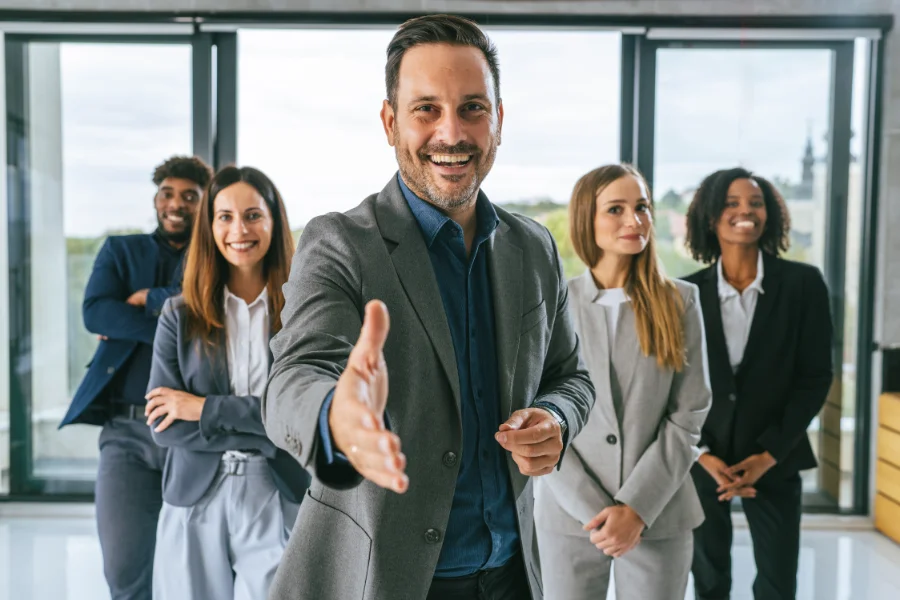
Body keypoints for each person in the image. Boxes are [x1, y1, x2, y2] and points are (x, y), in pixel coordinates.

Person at [262, 14, 595, 600]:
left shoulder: (534, 245)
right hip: (385, 578)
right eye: (426, 110)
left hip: (514, 575)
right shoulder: (340, 242)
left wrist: (557, 419)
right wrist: (335, 419)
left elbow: (571, 377)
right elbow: (294, 376)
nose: (452, 133)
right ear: (390, 122)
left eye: (472, 107)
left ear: (498, 120)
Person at [534, 164, 711, 599]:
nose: (635, 221)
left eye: (642, 207)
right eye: (616, 209)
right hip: (569, 515)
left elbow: (689, 414)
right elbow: (536, 414)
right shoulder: (551, 303)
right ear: (585, 219)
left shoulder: (681, 301)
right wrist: (595, 509)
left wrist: (636, 508)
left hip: (659, 513)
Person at [144, 166, 310, 600]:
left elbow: (307, 415)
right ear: (210, 226)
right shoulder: (179, 316)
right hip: (194, 493)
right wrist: (263, 419)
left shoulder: (305, 315)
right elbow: (164, 426)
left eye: (253, 215)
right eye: (225, 217)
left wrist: (201, 408)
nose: (240, 229)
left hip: (280, 489)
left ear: (274, 221)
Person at [59, 155, 212, 600]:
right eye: (167, 193)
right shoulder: (120, 250)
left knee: (200, 569)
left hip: (193, 432)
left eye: (189, 195)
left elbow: (215, 308)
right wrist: (181, 319)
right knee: (123, 568)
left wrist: (149, 300)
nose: (176, 203)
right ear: (156, 197)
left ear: (203, 204)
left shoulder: (214, 256)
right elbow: (96, 313)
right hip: (125, 432)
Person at [684, 167, 833, 600]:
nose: (745, 211)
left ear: (770, 214)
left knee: (778, 583)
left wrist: (768, 455)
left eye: (755, 202)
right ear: (711, 217)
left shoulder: (804, 285)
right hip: (704, 461)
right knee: (709, 580)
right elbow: (674, 383)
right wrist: (701, 454)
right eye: (731, 203)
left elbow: (815, 377)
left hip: (776, 456)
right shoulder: (685, 293)